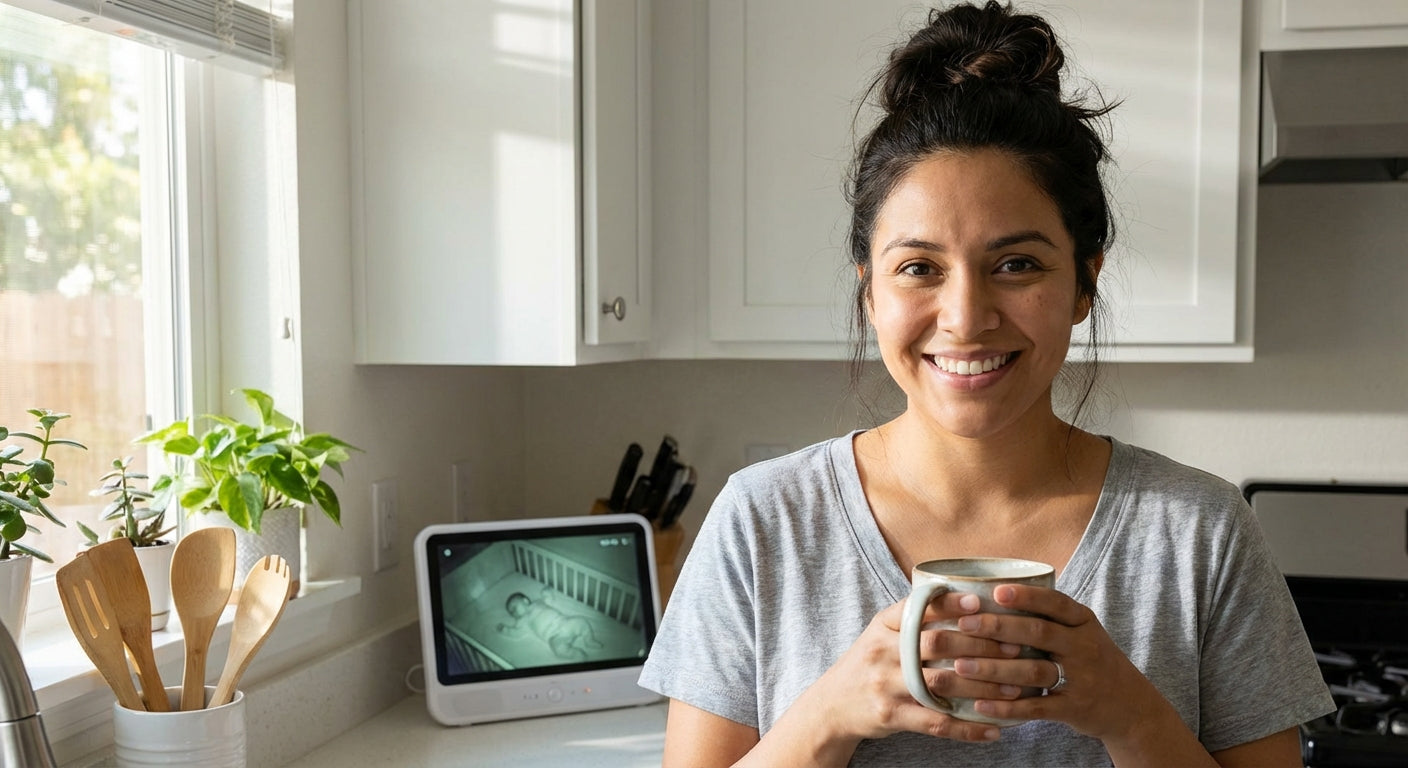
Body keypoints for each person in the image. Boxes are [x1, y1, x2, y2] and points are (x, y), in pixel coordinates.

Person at [637, 2, 1333, 766]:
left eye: (1018, 264)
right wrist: (828, 716)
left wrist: (1130, 714)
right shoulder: (763, 523)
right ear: (870, 291)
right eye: (919, 268)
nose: (966, 319)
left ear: (1083, 284)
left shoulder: (1199, 533)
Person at [496, 589, 604, 662]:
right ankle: (574, 653)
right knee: (556, 648)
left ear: (525, 600)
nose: (513, 613)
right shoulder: (523, 621)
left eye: (514, 608)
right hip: (555, 636)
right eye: (511, 612)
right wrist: (505, 629)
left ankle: (589, 640)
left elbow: (549, 601)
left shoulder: (538, 603)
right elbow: (516, 633)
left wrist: (546, 593)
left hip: (564, 623)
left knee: (581, 621)